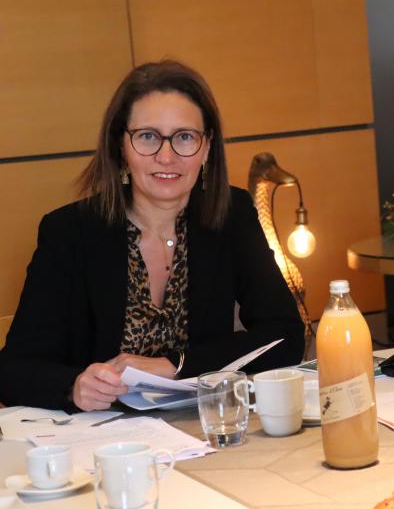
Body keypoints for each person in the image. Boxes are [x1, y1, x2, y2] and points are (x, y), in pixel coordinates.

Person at [0, 61, 305, 411]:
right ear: (120, 148)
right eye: (147, 136)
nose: (166, 156)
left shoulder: (232, 214)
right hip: (105, 445)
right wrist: (74, 387)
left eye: (184, 137)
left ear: (206, 148)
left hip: (203, 431)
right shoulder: (70, 232)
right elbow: (13, 369)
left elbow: (285, 336)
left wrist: (176, 364)